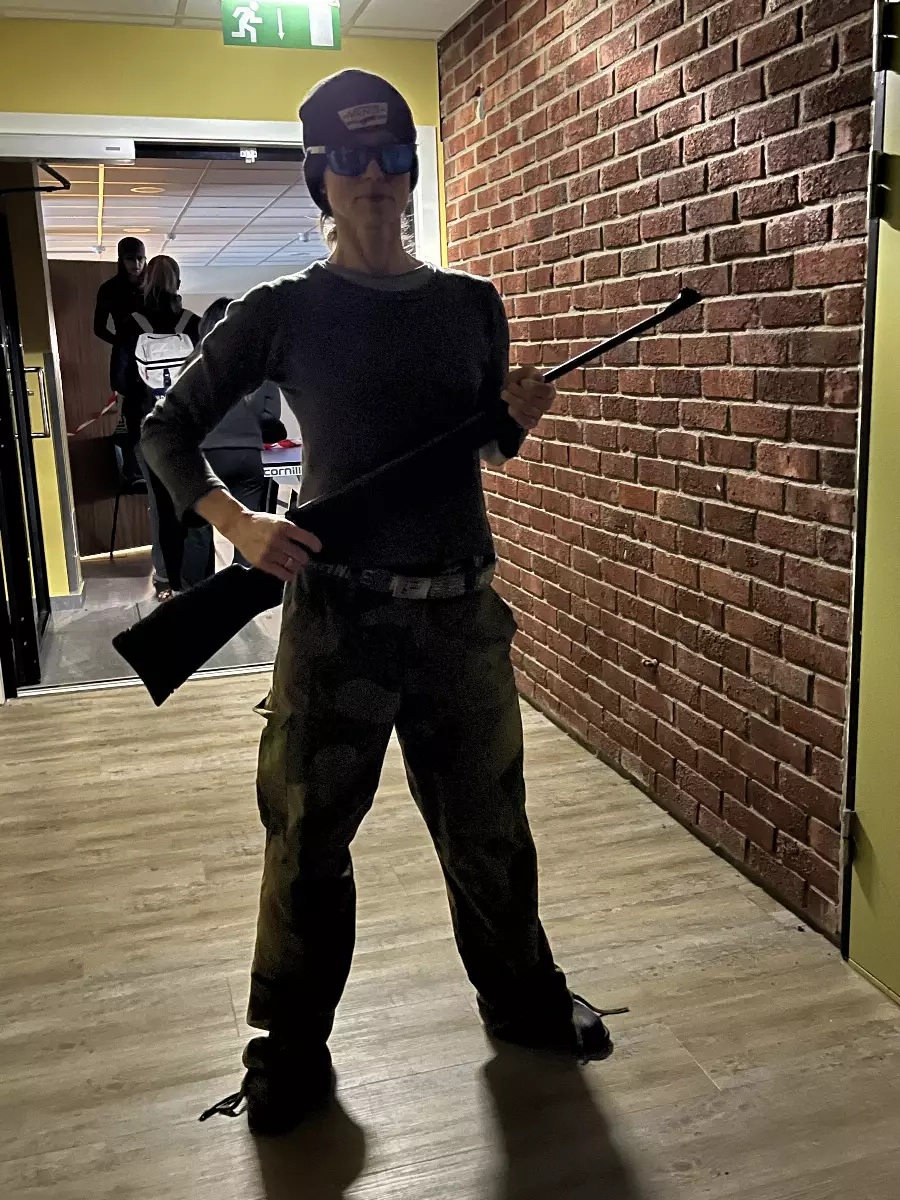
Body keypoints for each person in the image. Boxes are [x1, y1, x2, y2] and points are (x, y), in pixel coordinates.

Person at [142, 69, 612, 1139]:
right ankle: (290, 1048)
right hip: (339, 619)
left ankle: (523, 1003)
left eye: (393, 157)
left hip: (462, 617)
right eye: (351, 160)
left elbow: (476, 452)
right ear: (322, 176)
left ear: (409, 170)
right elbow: (166, 432)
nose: (375, 178)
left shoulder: (471, 305)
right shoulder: (282, 312)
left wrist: (516, 419)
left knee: (491, 832)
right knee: (308, 839)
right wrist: (235, 522)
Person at [180, 297, 284, 588]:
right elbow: (270, 416)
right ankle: (242, 596)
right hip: (246, 455)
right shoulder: (259, 363)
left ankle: (196, 596)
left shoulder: (191, 365)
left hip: (203, 456)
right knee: (249, 528)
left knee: (198, 532)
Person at [130, 255, 200, 600]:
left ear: (145, 283)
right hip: (189, 428)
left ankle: (164, 581)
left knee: (160, 505)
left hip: (148, 427)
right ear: (179, 283)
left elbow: (119, 379)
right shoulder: (193, 324)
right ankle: (196, 578)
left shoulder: (133, 325)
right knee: (195, 497)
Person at [93, 237, 146, 483]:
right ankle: (132, 468)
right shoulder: (110, 289)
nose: (136, 264)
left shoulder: (151, 286)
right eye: (130, 259)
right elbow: (99, 328)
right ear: (121, 260)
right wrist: (122, 344)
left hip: (154, 354)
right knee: (133, 410)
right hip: (127, 358)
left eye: (140, 258)